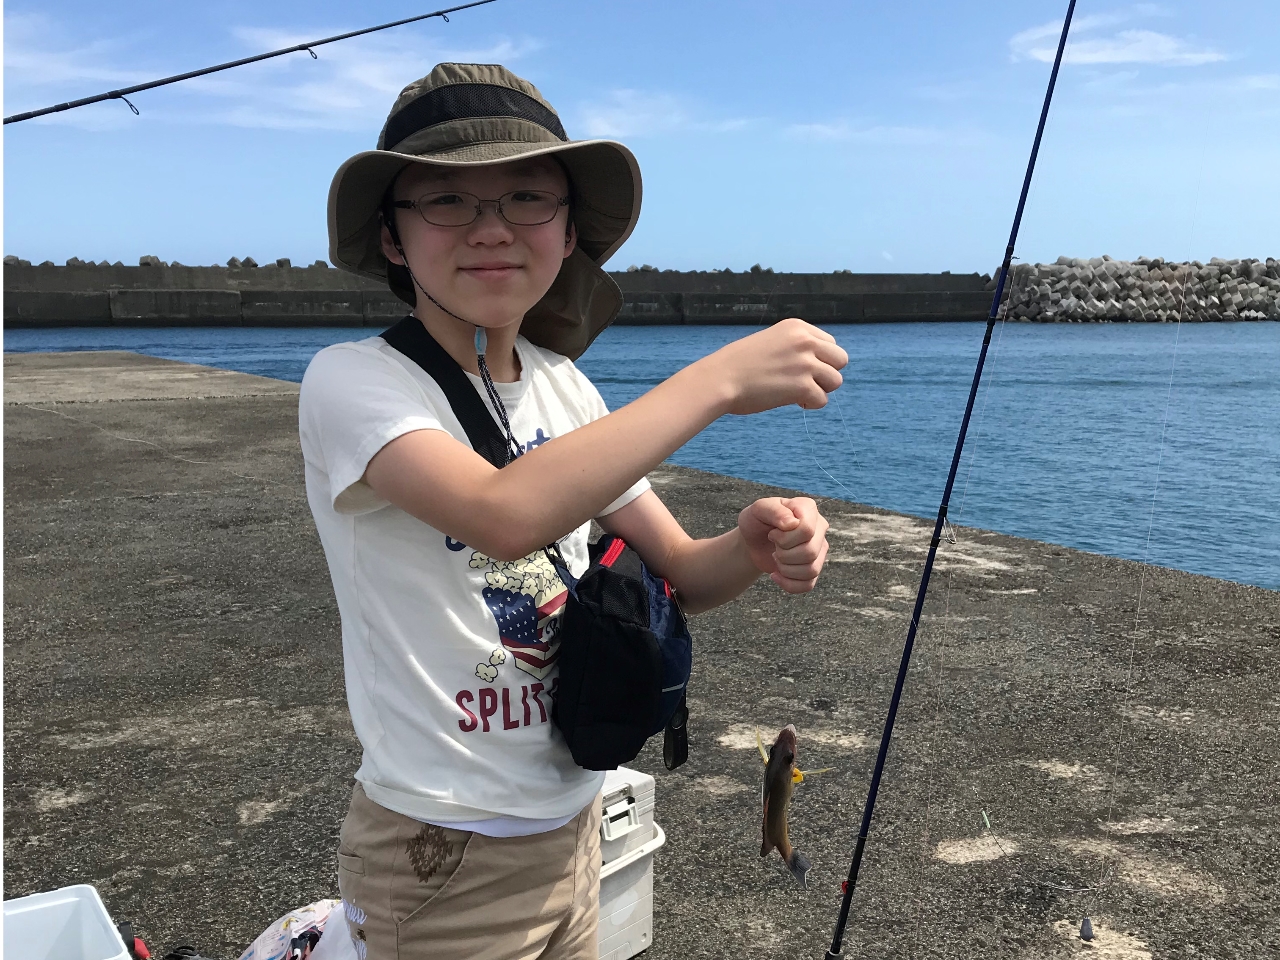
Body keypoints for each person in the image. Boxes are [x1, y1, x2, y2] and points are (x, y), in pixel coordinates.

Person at [299, 63, 847, 960]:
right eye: (445, 199)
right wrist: (715, 381)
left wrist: (750, 545)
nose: (491, 227)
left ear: (567, 233)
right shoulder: (355, 382)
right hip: (438, 855)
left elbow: (681, 573)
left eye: (527, 197)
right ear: (393, 236)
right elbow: (502, 514)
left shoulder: (566, 388)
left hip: (576, 820)